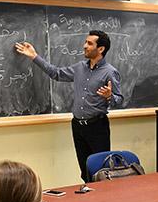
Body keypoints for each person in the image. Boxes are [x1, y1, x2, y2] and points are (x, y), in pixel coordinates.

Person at [15, 31, 123, 183]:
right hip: (78, 126)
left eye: (89, 43)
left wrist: (110, 96)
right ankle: (90, 200)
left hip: (97, 126)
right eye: (86, 42)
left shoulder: (110, 72)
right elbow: (56, 74)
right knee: (85, 170)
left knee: (101, 171)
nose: (85, 46)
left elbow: (120, 100)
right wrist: (34, 56)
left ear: (101, 49)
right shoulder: (79, 68)